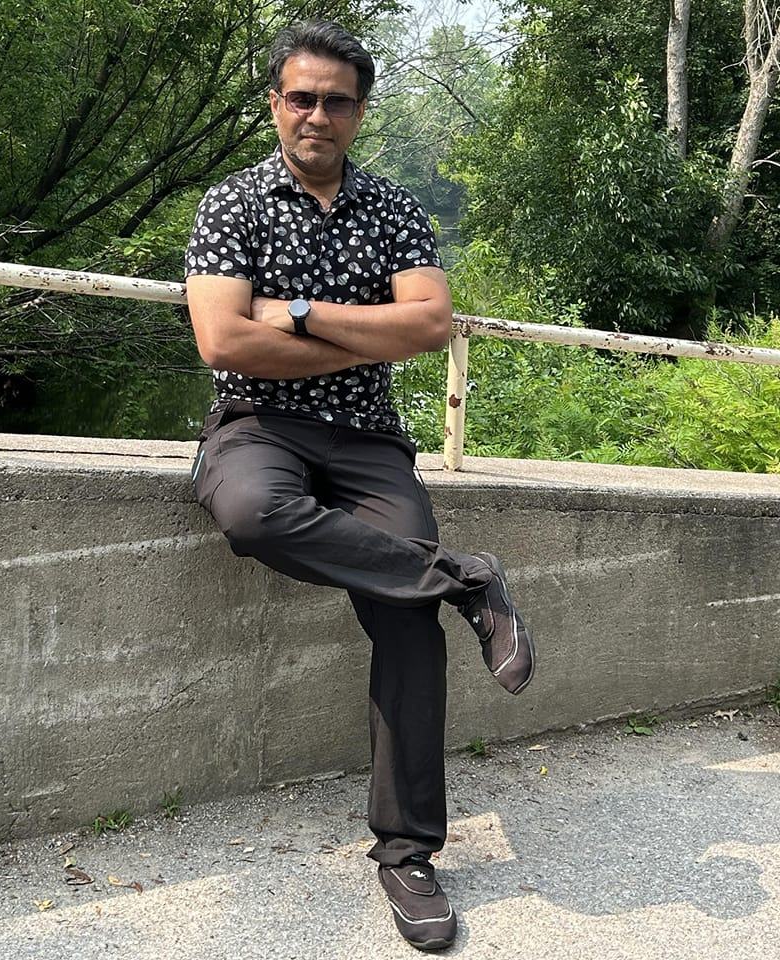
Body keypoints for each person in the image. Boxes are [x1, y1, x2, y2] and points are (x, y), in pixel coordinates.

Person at [184, 19, 535, 952]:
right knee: (254, 511)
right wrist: (361, 328)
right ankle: (467, 577)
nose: (317, 114)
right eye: (301, 96)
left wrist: (295, 314)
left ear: (360, 113)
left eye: (337, 100)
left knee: (402, 617)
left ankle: (408, 853)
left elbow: (428, 327)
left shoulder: (392, 209)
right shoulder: (233, 206)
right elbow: (223, 342)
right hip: (255, 427)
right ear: (274, 102)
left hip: (369, 439)